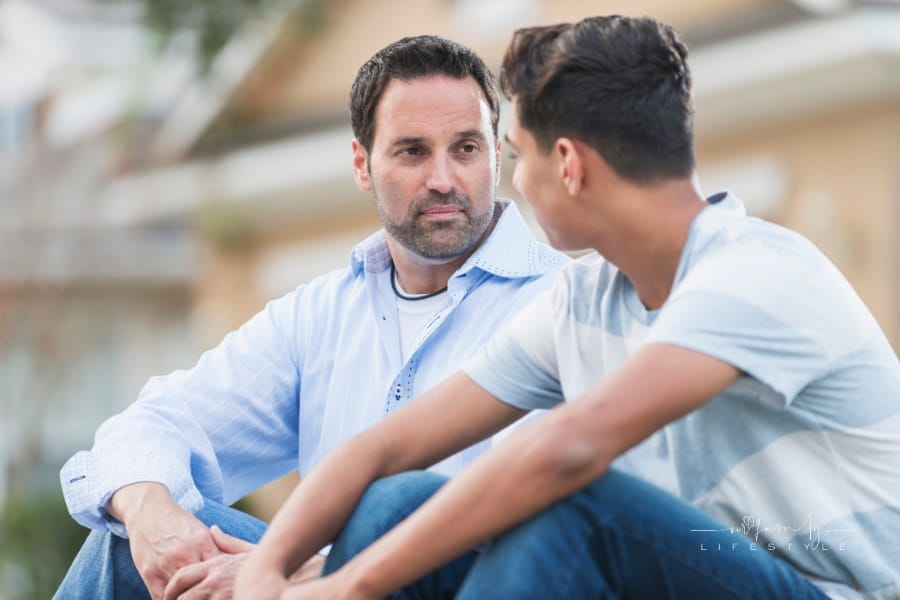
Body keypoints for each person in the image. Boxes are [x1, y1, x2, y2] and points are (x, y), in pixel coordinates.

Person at [233, 15, 900, 600]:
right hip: (691, 576)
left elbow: (569, 449)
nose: (513, 183)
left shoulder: (755, 274)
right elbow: (386, 446)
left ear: (569, 166)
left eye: (516, 155)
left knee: (577, 503)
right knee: (394, 502)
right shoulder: (582, 302)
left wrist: (349, 585)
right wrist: (267, 571)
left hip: (834, 591)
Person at [54, 35, 567, 600]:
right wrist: (149, 510)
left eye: (466, 149)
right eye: (413, 151)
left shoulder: (558, 302)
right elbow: (155, 423)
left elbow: (524, 516)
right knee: (128, 541)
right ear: (361, 164)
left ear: (496, 153)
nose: (443, 179)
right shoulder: (320, 314)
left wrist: (283, 571)